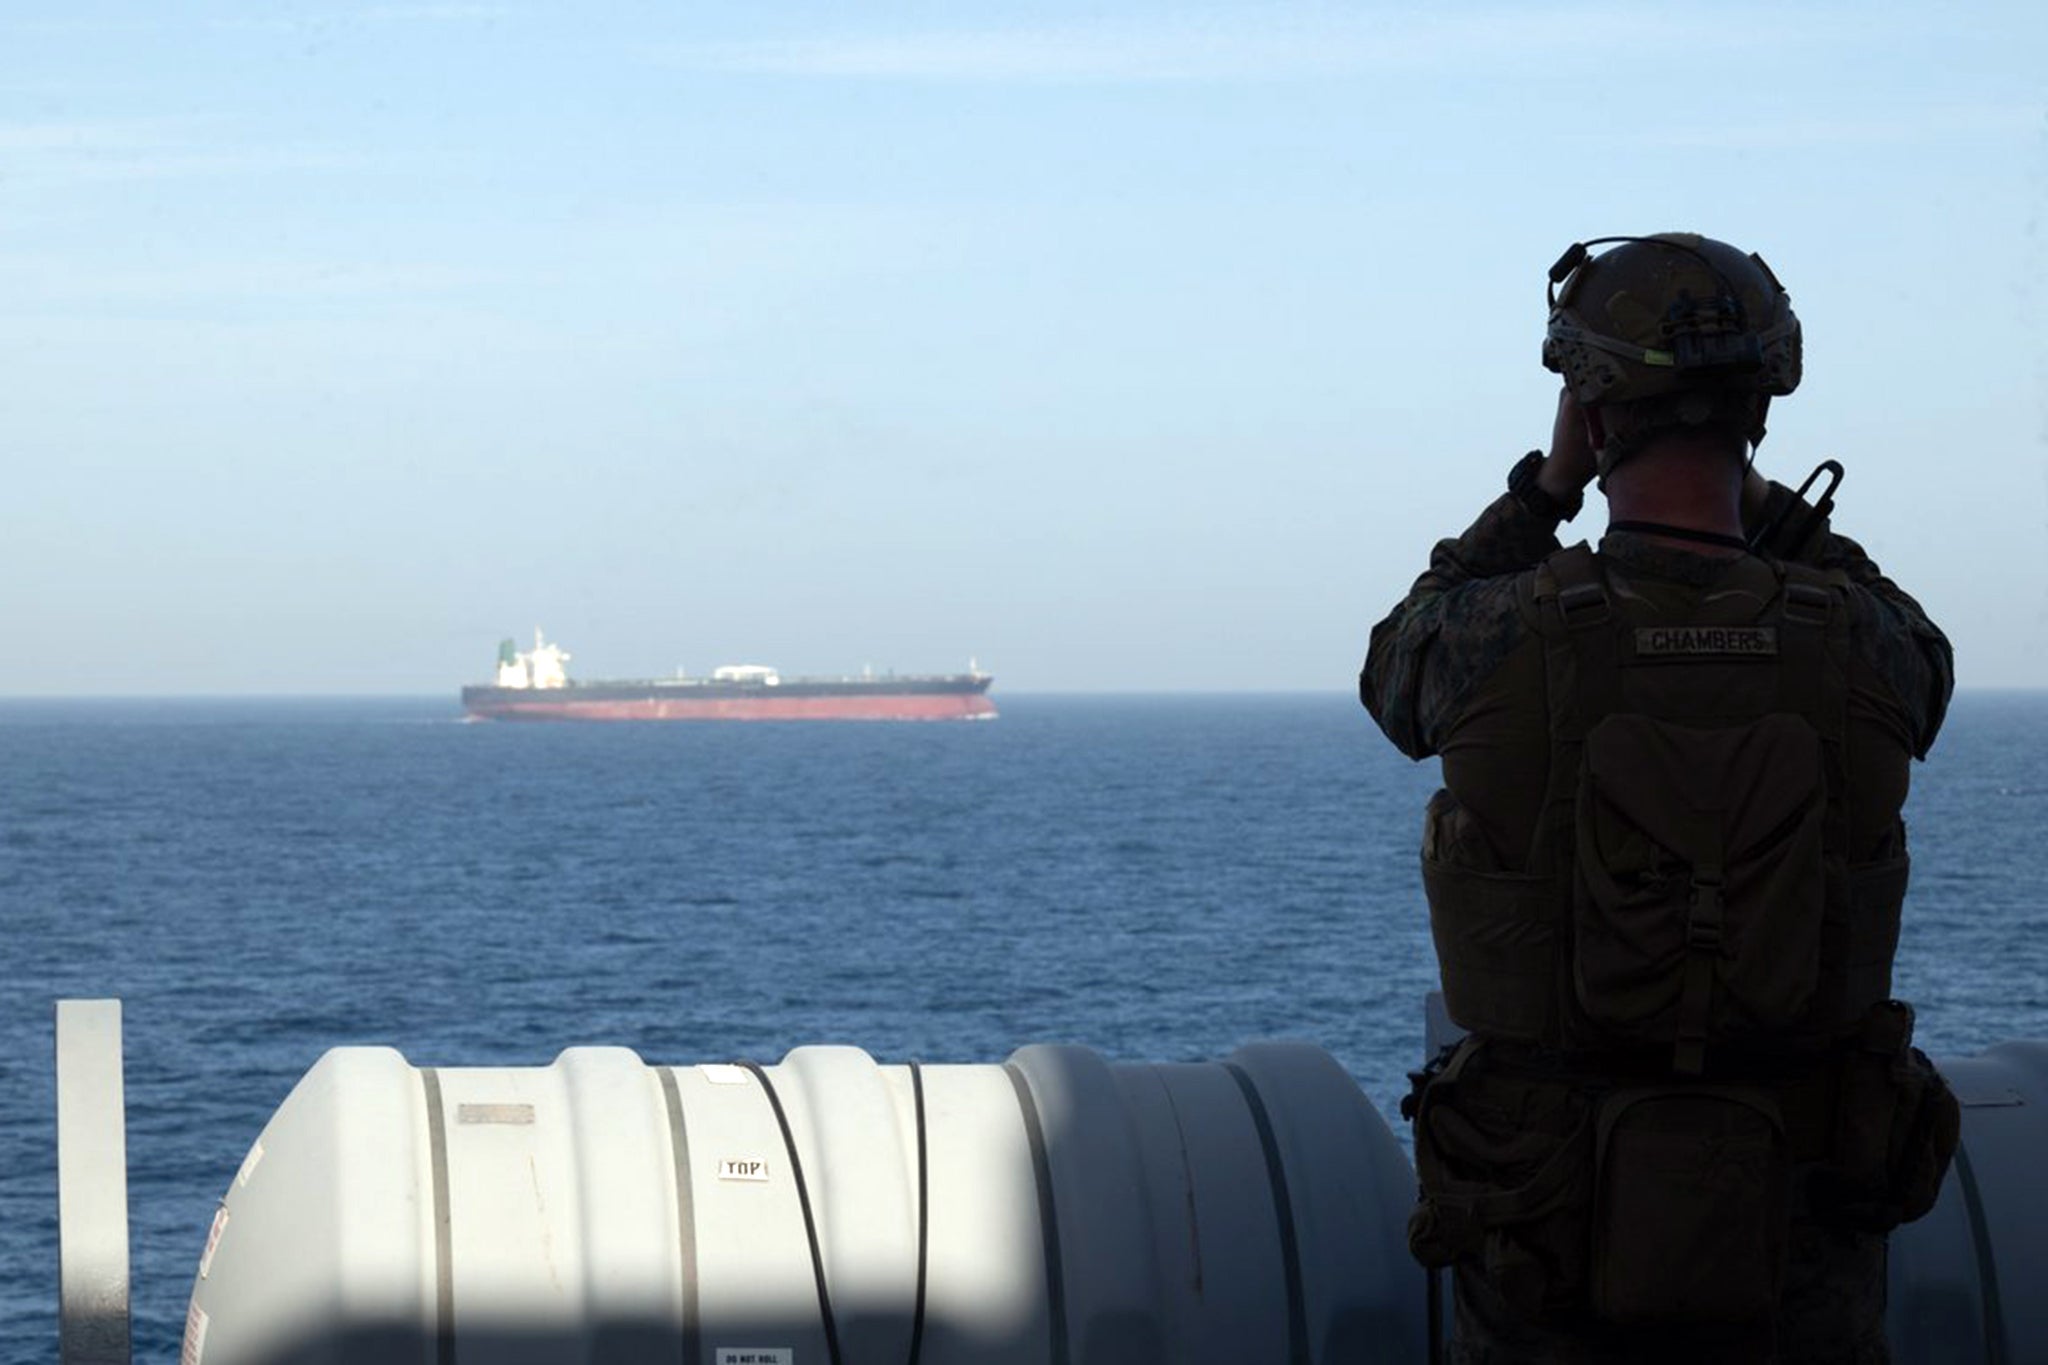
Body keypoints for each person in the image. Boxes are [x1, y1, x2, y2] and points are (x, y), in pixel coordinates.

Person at [1359, 233, 1957, 1363]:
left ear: (1591, 418)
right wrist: (1771, 508)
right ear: (1758, 414)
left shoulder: (1492, 637)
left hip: (1545, 1232)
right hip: (1803, 1231)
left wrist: (1544, 491)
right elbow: (1927, 668)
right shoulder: (1865, 644)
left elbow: (1394, 667)